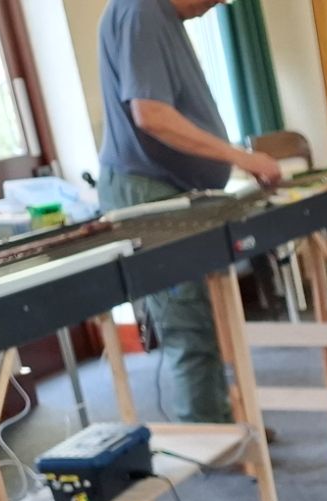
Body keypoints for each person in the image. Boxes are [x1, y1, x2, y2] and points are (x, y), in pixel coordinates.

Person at [95, 0, 283, 423]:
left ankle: (220, 423)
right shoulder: (142, 11)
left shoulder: (163, 16)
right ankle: (210, 434)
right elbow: (152, 115)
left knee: (200, 316)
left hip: (169, 190)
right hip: (148, 192)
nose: (214, 6)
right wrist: (241, 157)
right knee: (187, 325)